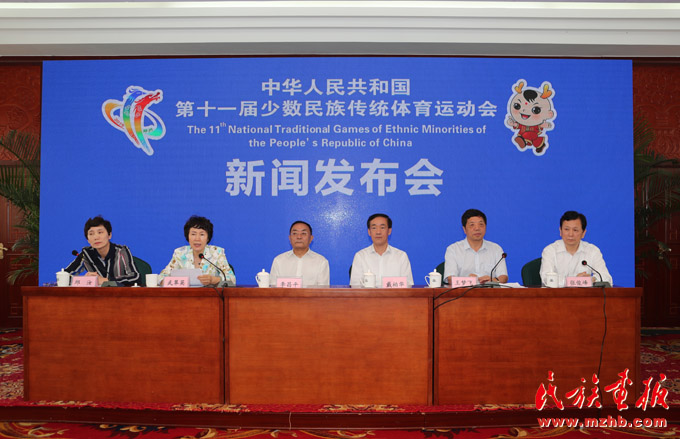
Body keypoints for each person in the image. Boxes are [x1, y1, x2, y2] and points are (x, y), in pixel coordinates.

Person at [540, 210, 613, 285]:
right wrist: (575, 281)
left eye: (575, 230)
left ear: (583, 233)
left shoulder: (592, 251)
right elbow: (547, 279)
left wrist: (591, 279)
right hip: (556, 293)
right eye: (566, 229)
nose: (570, 234)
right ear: (560, 231)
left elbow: (606, 278)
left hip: (585, 293)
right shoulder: (550, 251)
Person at [159, 216, 236, 286]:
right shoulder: (180, 253)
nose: (197, 239)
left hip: (211, 296)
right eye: (193, 234)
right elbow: (162, 277)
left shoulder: (216, 253)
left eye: (202, 234)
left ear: (208, 238)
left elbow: (232, 279)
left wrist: (214, 280)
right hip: (185, 295)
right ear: (188, 236)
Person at [65, 215, 140, 286]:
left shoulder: (121, 251)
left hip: (120, 294)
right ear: (88, 240)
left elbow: (135, 277)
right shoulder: (86, 254)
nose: (96, 237)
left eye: (100, 232)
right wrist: (84, 280)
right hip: (96, 295)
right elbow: (64, 277)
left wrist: (107, 280)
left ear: (109, 235)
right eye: (91, 234)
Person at [444, 209, 508, 284]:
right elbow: (450, 279)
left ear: (485, 227)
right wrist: (470, 281)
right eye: (472, 225)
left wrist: (492, 280)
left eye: (481, 224)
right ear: (464, 229)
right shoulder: (453, 249)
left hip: (489, 290)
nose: (477, 228)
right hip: (464, 291)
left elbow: (503, 277)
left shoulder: (496, 249)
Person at [350, 213, 413, 287]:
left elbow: (408, 285)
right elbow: (355, 286)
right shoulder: (360, 256)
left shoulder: (401, 256)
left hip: (394, 295)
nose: (378, 232)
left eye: (382, 227)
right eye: (374, 228)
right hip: (368, 295)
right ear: (369, 232)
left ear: (389, 231)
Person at [269, 221, 330, 287]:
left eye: (303, 233)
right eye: (295, 233)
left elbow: (323, 291)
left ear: (311, 238)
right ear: (289, 238)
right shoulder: (279, 261)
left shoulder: (321, 262)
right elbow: (273, 289)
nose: (299, 237)